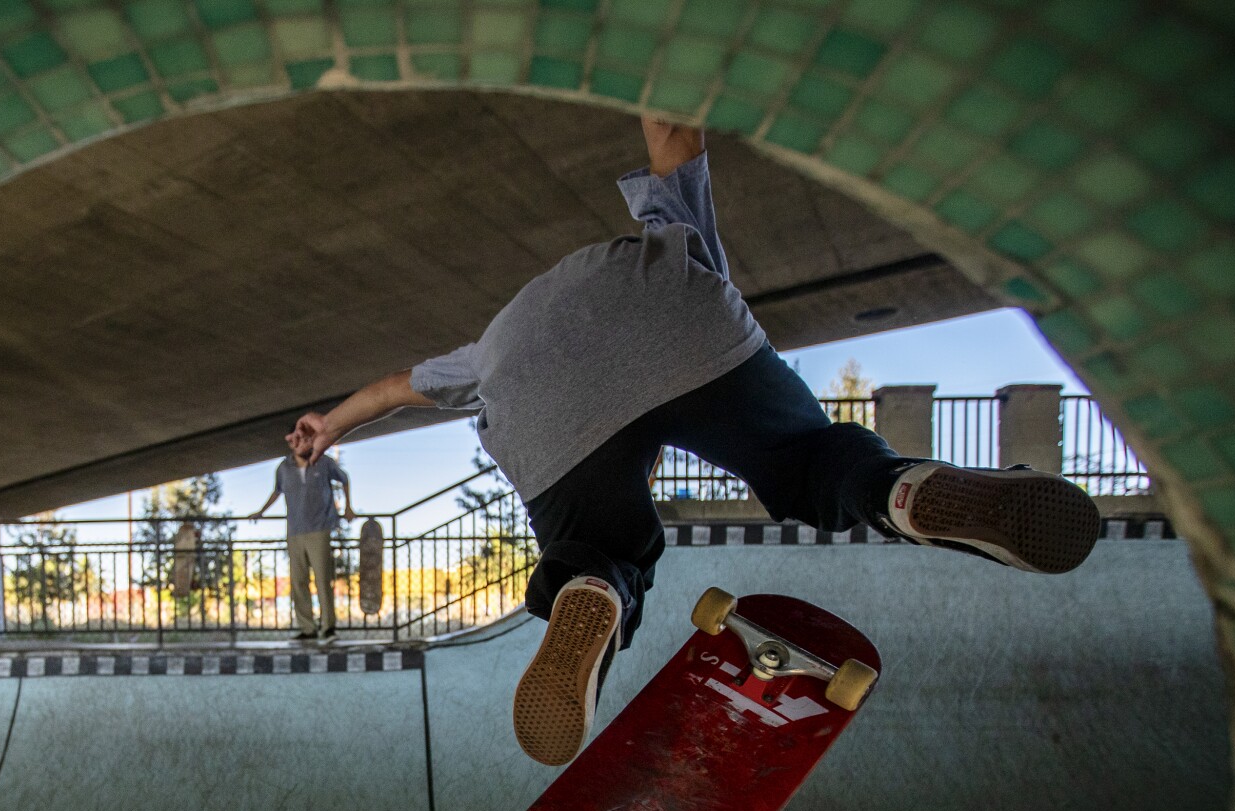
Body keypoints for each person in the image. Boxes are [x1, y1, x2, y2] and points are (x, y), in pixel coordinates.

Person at [286, 117, 1099, 766]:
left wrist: (327, 424)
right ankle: (903, 491)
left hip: (531, 387)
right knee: (809, 459)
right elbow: (673, 132)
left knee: (596, 541)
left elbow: (398, 388)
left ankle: (591, 590)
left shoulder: (490, 342)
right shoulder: (674, 235)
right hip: (670, 314)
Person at [251, 436, 356, 640]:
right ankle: (307, 628)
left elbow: (344, 479)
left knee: (323, 579)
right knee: (298, 581)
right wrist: (261, 511)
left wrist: (349, 506)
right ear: (291, 444)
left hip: (319, 528)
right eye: (296, 441)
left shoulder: (324, 462)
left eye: (306, 440)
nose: (302, 445)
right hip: (294, 531)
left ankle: (328, 627)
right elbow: (277, 491)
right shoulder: (283, 468)